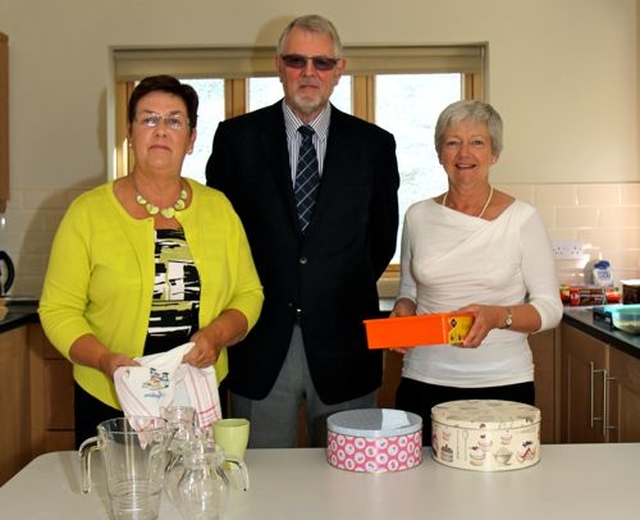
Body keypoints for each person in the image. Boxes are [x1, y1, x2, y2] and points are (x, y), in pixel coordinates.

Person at [205, 15, 400, 448]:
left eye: (322, 62)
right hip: (259, 343)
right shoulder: (236, 140)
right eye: (297, 61)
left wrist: (332, 286)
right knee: (260, 484)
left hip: (346, 343)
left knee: (351, 487)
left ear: (339, 69)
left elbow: (382, 237)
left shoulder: (375, 145)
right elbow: (221, 238)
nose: (309, 73)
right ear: (278, 65)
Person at [39, 75, 264, 446]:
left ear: (191, 140)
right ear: (130, 133)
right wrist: (105, 360)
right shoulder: (87, 213)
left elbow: (249, 292)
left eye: (174, 120)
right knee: (118, 498)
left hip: (196, 390)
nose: (161, 130)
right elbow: (58, 310)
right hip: (112, 395)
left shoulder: (218, 209)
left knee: (193, 492)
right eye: (148, 119)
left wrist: (217, 336)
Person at [391, 100, 563, 440]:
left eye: (477, 142)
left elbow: (550, 308)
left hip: (502, 384)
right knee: (420, 490)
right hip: (424, 379)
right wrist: (402, 311)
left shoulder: (522, 219)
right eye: (453, 142)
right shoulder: (417, 216)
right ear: (440, 152)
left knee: (500, 488)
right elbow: (410, 291)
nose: (463, 153)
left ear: (494, 153)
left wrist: (497, 316)